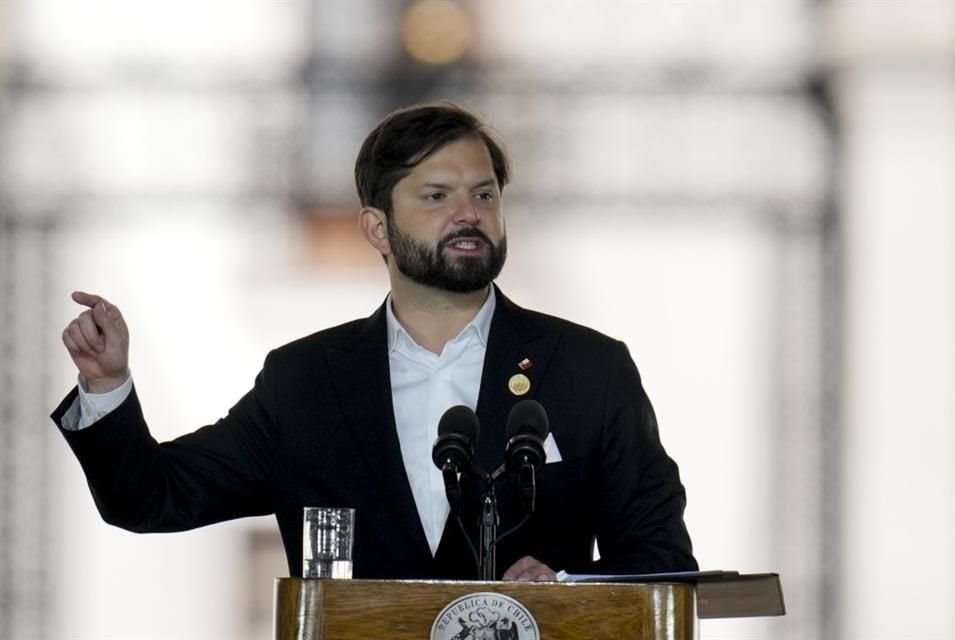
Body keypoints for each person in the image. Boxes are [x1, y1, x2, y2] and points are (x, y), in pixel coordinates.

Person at [52, 102, 697, 581]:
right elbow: (151, 497)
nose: (468, 213)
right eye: (437, 196)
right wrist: (107, 386)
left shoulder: (589, 369)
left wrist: (567, 587)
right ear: (378, 228)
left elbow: (662, 559)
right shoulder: (305, 383)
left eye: (484, 194)